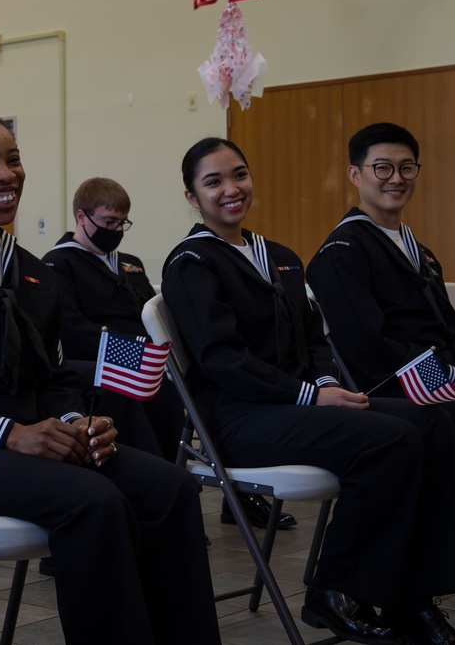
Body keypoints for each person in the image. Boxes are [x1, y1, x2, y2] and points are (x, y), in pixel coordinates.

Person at [0, 106, 220, 645]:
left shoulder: (28, 267)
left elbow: (53, 374)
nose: (6, 174)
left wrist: (78, 420)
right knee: (93, 501)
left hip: (36, 441)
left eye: (13, 159)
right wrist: (9, 433)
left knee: (171, 488)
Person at [161, 137, 455, 645]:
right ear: (191, 196)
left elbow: (314, 341)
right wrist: (309, 396)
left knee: (432, 422)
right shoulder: (190, 263)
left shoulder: (281, 258)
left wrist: (328, 384)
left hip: (301, 407)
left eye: (239, 175)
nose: (231, 189)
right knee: (389, 441)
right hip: (242, 419)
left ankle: (416, 600)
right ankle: (331, 589)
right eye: (213, 181)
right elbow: (222, 360)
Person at [307, 121, 455, 560]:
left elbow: (450, 328)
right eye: (383, 168)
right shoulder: (341, 253)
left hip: (446, 382)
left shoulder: (419, 250)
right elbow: (374, 349)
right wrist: (452, 377)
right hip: (397, 390)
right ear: (356, 175)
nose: (397, 178)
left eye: (407, 168)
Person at [43, 176, 295, 530]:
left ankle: (226, 492)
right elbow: (71, 329)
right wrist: (138, 351)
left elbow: (152, 308)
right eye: (108, 223)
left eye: (122, 223)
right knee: (154, 387)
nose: (116, 231)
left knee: (198, 380)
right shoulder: (58, 264)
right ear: (81, 217)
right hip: (98, 358)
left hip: (145, 353)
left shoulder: (128, 262)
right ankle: (162, 496)